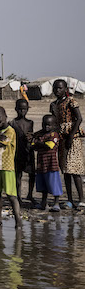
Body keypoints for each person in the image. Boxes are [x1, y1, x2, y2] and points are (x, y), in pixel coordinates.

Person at [50, 79, 84, 208]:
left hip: (73, 138)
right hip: (61, 138)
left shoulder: (71, 101)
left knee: (74, 169)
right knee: (65, 170)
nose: (57, 90)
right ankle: (69, 199)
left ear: (66, 89)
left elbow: (79, 118)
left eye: (59, 88)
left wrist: (70, 136)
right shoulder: (53, 104)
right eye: (55, 88)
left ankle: (81, 199)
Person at [0, 106, 21, 227]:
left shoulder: (10, 131)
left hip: (7, 167)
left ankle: (18, 221)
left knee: (11, 196)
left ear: (5, 117)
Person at [32, 114, 64, 211]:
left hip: (51, 163)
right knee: (43, 184)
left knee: (54, 183)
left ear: (54, 125)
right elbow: (33, 145)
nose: (47, 127)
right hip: (41, 163)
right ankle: (43, 202)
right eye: (45, 124)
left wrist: (38, 143)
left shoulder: (54, 135)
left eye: (49, 125)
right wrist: (38, 143)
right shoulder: (40, 134)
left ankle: (56, 203)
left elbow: (49, 145)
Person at [11, 98, 35, 206]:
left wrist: (30, 138)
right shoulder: (13, 123)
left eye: (25, 109)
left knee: (32, 174)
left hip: (28, 151)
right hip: (17, 152)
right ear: (16, 109)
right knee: (18, 175)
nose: (22, 112)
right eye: (20, 109)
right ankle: (18, 195)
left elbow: (32, 136)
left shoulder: (30, 123)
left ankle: (30, 194)